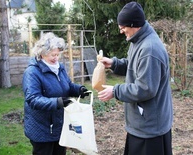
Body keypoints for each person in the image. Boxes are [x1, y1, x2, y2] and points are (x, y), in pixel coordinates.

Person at [98, 2, 173, 155]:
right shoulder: (139, 40)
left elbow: (145, 88)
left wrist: (116, 91)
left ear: (134, 24)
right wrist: (114, 63)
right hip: (142, 124)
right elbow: (135, 65)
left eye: (123, 27)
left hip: (150, 129)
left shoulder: (149, 49)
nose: (121, 31)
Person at [22, 32, 89, 155]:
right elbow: (32, 99)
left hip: (58, 125)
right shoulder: (32, 72)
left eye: (58, 54)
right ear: (42, 53)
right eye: (53, 55)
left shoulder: (59, 67)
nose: (56, 58)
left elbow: (67, 86)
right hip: (41, 128)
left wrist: (79, 90)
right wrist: (56, 102)